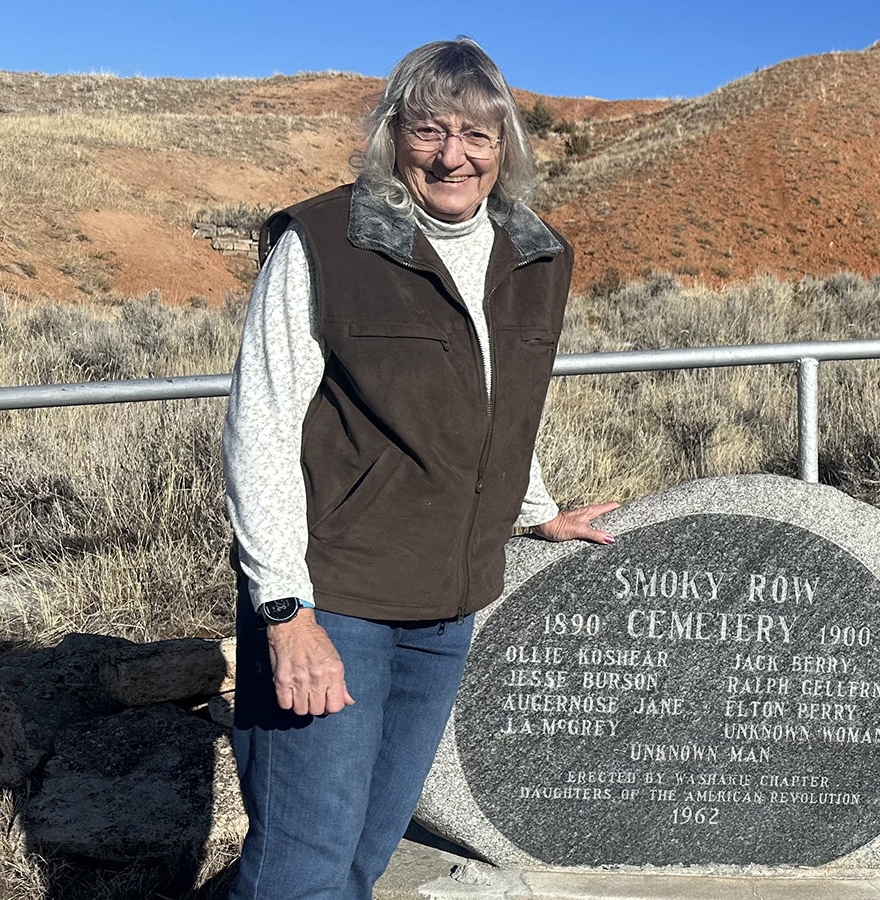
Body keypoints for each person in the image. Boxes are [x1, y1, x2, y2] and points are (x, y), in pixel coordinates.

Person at [221, 37, 615, 899]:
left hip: (447, 606)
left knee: (365, 850)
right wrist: (286, 612)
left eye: (477, 135)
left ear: (506, 143)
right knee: (302, 863)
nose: (452, 156)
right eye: (428, 131)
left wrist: (535, 508)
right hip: (337, 599)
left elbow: (499, 401)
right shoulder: (324, 241)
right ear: (391, 135)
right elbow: (259, 430)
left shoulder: (536, 253)